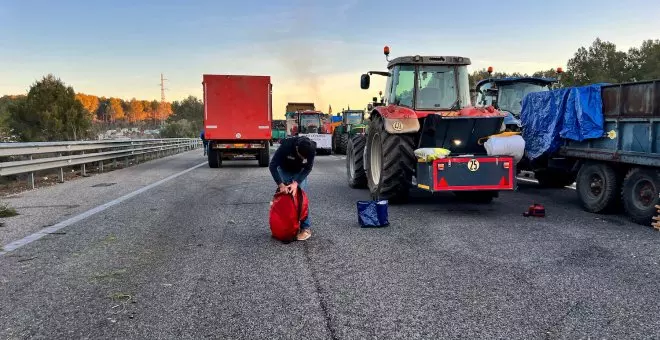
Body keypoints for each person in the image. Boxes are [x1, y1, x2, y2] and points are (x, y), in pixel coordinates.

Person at [269, 136, 316, 241]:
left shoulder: (311, 149)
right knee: (285, 197)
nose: (303, 159)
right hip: (284, 170)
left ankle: (305, 228)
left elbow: (308, 167)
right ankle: (284, 226)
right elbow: (272, 166)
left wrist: (296, 183)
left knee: (300, 198)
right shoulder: (286, 146)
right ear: (296, 148)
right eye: (301, 156)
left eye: (305, 158)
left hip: (299, 172)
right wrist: (281, 185)